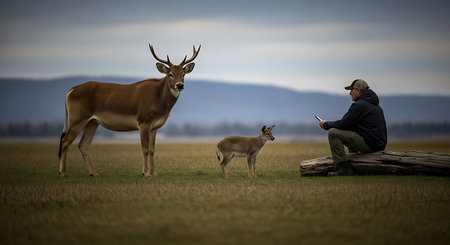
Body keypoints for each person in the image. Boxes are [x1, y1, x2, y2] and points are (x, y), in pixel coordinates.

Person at [319, 79, 387, 175]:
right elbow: (348, 125)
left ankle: (343, 168)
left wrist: (325, 124)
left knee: (333, 133)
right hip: (378, 143)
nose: (350, 93)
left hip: (372, 144)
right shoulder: (374, 105)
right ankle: (355, 165)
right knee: (350, 132)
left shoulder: (360, 105)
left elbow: (343, 124)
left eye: (351, 90)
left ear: (358, 91)